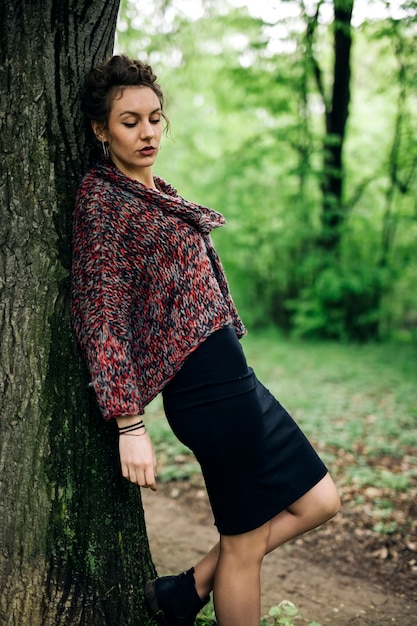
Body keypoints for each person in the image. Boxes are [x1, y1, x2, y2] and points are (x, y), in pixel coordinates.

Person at [71, 54, 340, 626]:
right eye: (129, 121)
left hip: (237, 385)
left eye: (154, 118)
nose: (147, 132)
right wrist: (130, 424)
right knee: (243, 550)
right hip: (207, 395)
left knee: (321, 501)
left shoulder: (152, 192)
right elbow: (102, 317)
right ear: (101, 129)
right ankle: (191, 593)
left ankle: (185, 590)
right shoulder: (104, 204)